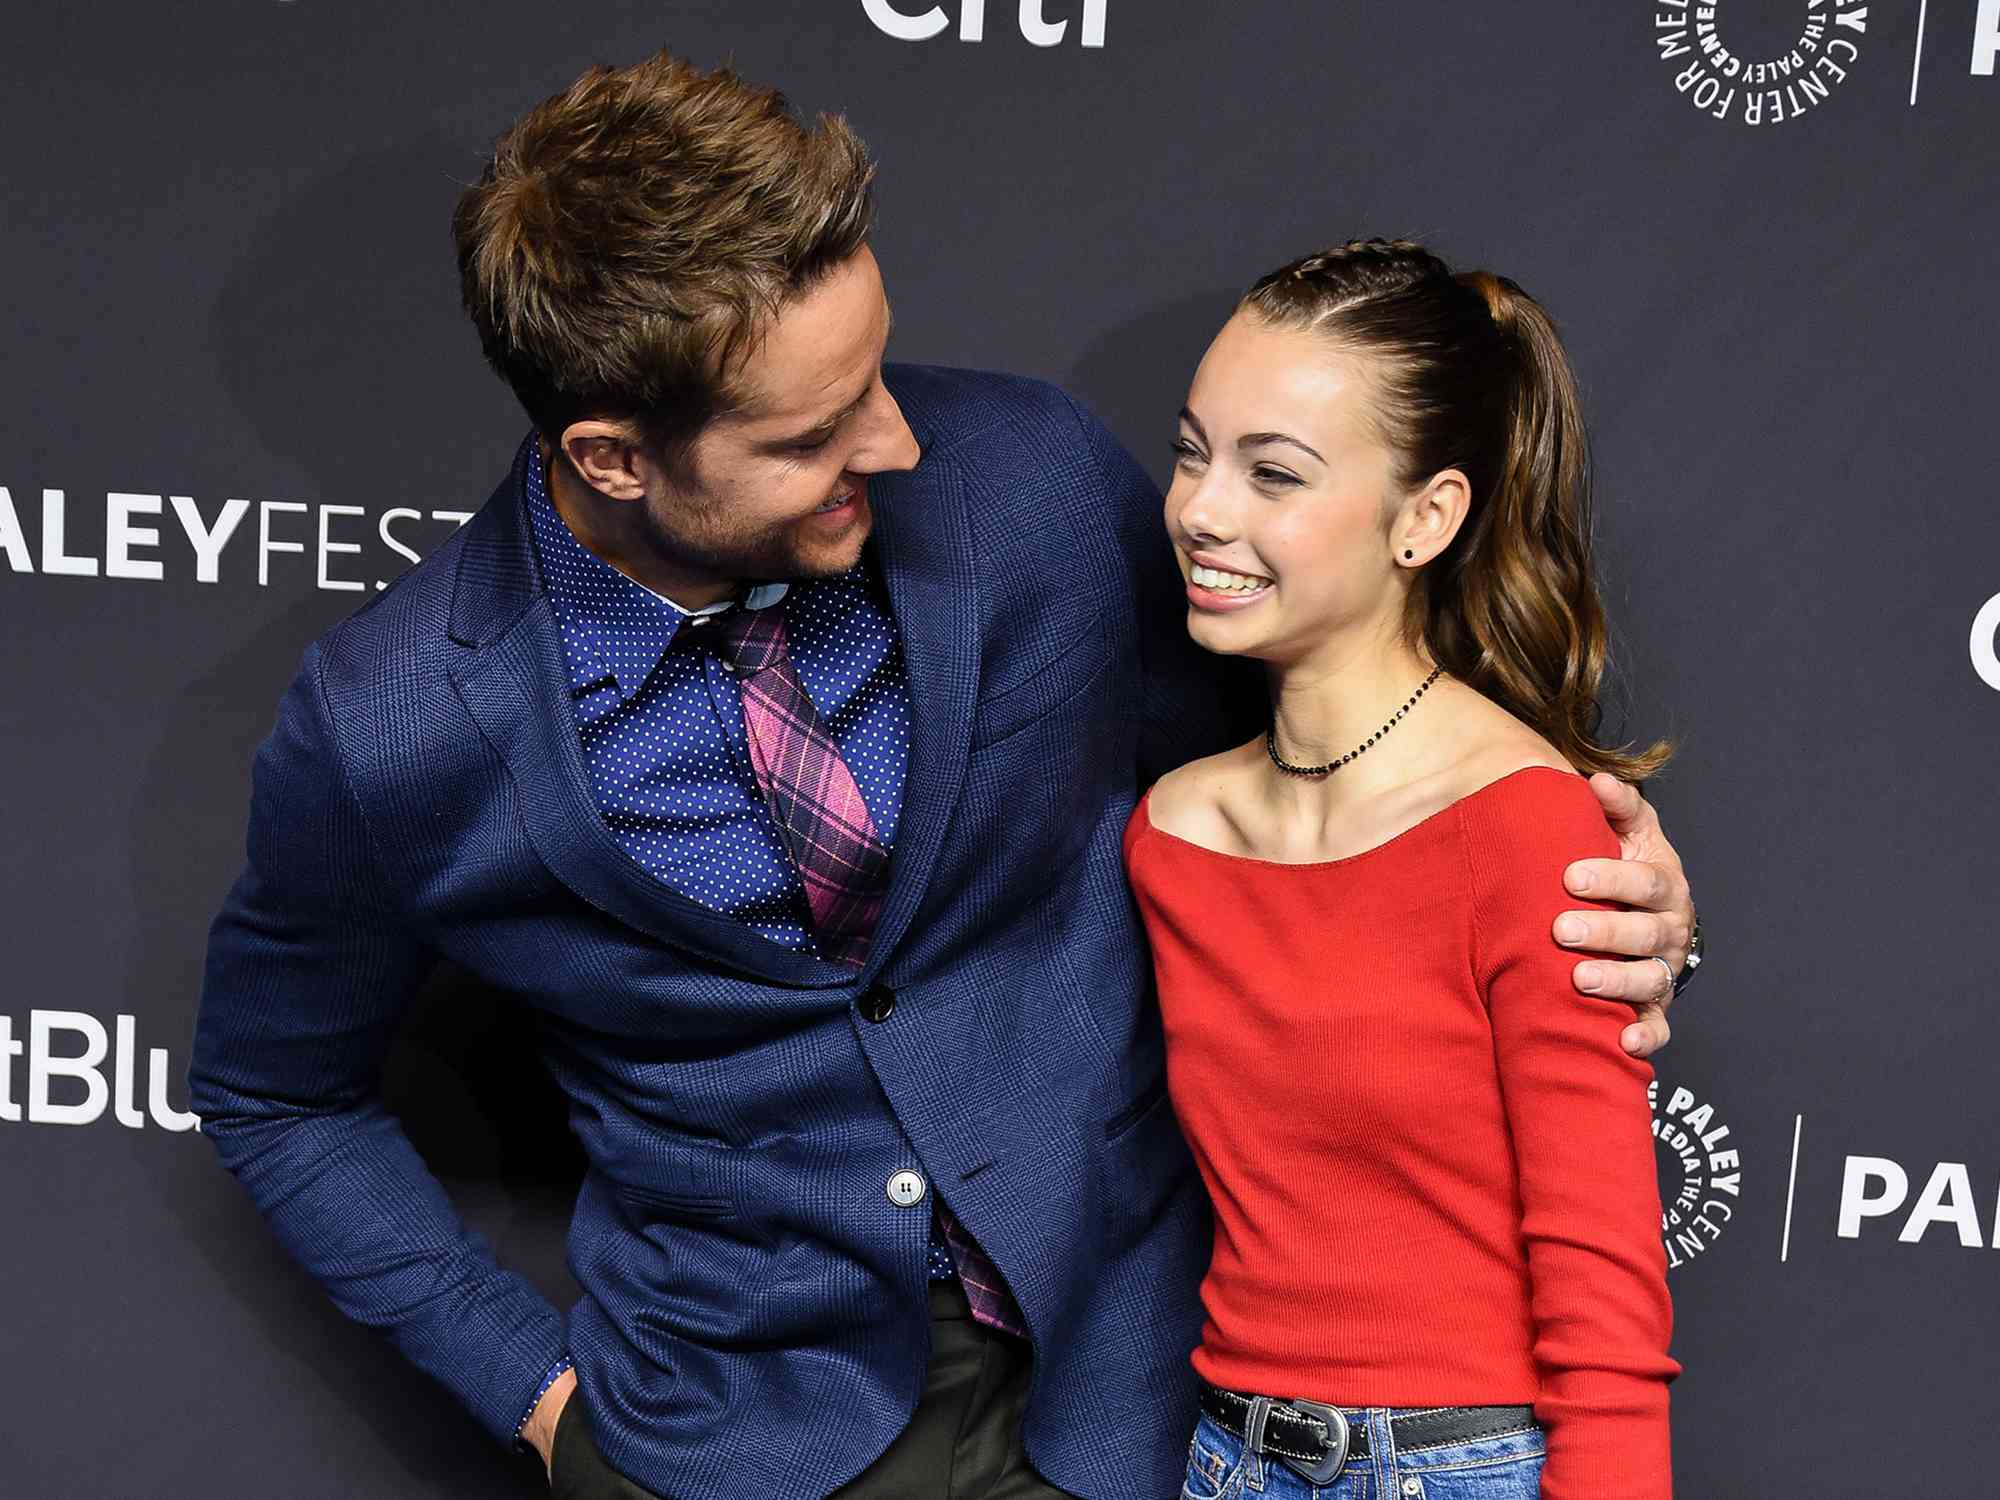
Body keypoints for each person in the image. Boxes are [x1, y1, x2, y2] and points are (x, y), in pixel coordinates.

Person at [188, 54, 1699, 1500]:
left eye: (876, 370)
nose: (895, 438)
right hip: (727, 1439)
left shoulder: (1029, 481)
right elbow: (273, 1093)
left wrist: (1599, 892)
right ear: (613, 458)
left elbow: (1306, 801)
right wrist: (539, 1399)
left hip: (1136, 1408)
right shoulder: (394, 726)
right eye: (810, 432)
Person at [1125, 239, 1681, 1500]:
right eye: (1191, 452)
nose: (1202, 509)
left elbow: (1603, 1289)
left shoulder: (1521, 825)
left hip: (1461, 1468)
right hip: (1222, 1459)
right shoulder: (1168, 833)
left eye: (1273, 473)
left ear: (1423, 518)